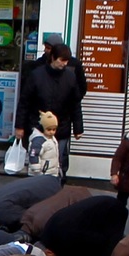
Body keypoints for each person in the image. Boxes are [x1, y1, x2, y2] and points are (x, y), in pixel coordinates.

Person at [16, 41, 86, 176]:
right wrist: (20, 126)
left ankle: (58, 181)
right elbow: (25, 102)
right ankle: (39, 181)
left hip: (61, 125)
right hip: (38, 126)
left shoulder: (70, 77)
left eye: (67, 61)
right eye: (62, 60)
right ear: (53, 58)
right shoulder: (36, 75)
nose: (65, 64)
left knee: (59, 159)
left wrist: (78, 128)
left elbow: (75, 104)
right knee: (38, 157)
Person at [26, 113, 64, 180]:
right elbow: (34, 154)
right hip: (41, 173)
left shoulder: (52, 138)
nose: (52, 132)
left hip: (51, 172)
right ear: (42, 128)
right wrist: (35, 168)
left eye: (54, 129)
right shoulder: (38, 140)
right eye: (49, 129)